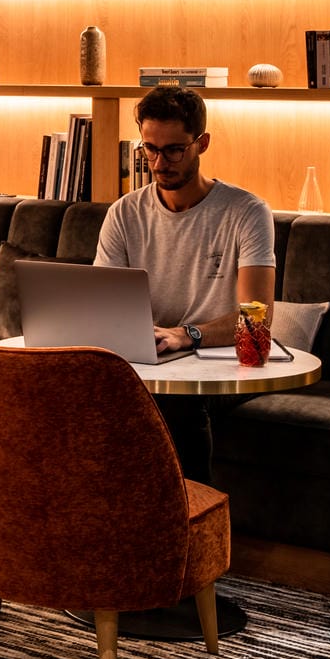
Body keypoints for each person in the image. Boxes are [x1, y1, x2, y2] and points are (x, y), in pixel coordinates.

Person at [92, 86, 276, 481]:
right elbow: (102, 307)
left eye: (174, 150)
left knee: (176, 403)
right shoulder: (124, 214)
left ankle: (192, 517)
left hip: (220, 366)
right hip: (149, 360)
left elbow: (256, 321)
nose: (160, 163)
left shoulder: (246, 212)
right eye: (150, 149)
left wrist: (185, 334)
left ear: (201, 143)